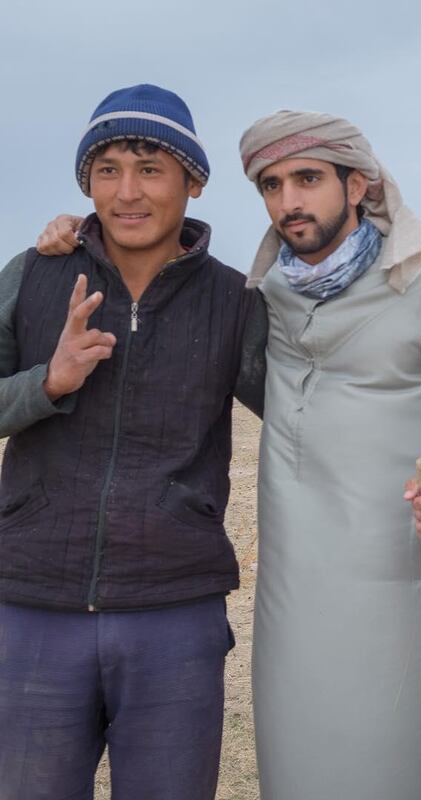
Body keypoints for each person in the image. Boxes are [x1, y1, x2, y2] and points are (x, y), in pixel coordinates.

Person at [238, 111, 421, 800]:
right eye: (271, 185)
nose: (289, 202)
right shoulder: (265, 302)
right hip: (296, 615)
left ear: (359, 183)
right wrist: (70, 242)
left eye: (308, 179)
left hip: (410, 599)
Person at [0, 84, 266, 800]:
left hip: (174, 611)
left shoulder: (235, 302)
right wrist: (44, 384)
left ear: (194, 182)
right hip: (31, 606)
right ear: (86, 182)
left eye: (150, 168)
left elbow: (307, 413)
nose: (127, 192)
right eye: (108, 168)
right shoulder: (34, 276)